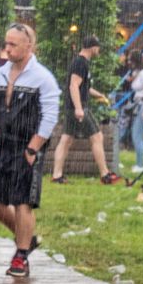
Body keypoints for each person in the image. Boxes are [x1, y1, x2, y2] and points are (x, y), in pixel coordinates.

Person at [0, 23, 60, 278]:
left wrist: (33, 147)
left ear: (29, 45)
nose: (7, 48)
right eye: (6, 43)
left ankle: (21, 256)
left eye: (13, 44)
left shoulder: (43, 78)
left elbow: (50, 116)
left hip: (25, 145)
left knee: (22, 200)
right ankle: (25, 237)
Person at [50, 35, 120, 186]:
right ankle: (105, 174)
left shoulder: (80, 62)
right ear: (93, 47)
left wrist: (99, 95)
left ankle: (56, 175)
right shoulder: (81, 63)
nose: (98, 51)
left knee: (66, 139)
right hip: (78, 107)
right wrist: (79, 108)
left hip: (72, 106)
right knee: (97, 136)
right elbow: (74, 85)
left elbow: (84, 87)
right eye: (98, 48)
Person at [127, 48, 143, 174]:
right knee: (138, 136)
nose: (128, 61)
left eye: (130, 59)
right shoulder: (137, 73)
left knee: (136, 136)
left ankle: (140, 164)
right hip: (139, 106)